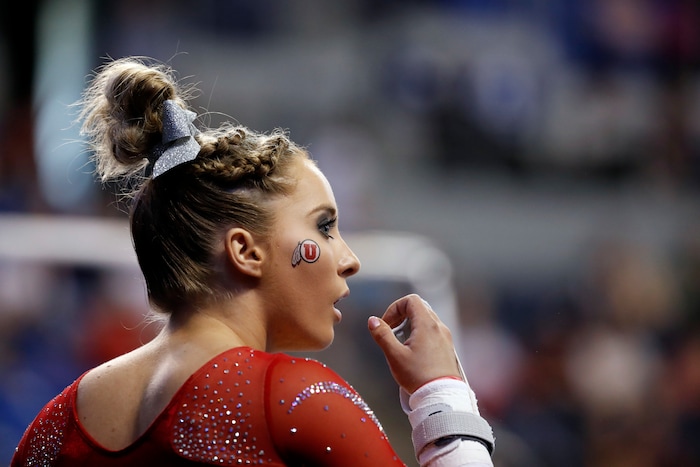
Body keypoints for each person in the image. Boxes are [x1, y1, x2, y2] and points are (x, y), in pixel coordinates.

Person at [11, 57, 494, 466]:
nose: (349, 260)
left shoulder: (53, 426)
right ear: (245, 251)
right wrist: (441, 395)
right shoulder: (292, 400)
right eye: (324, 227)